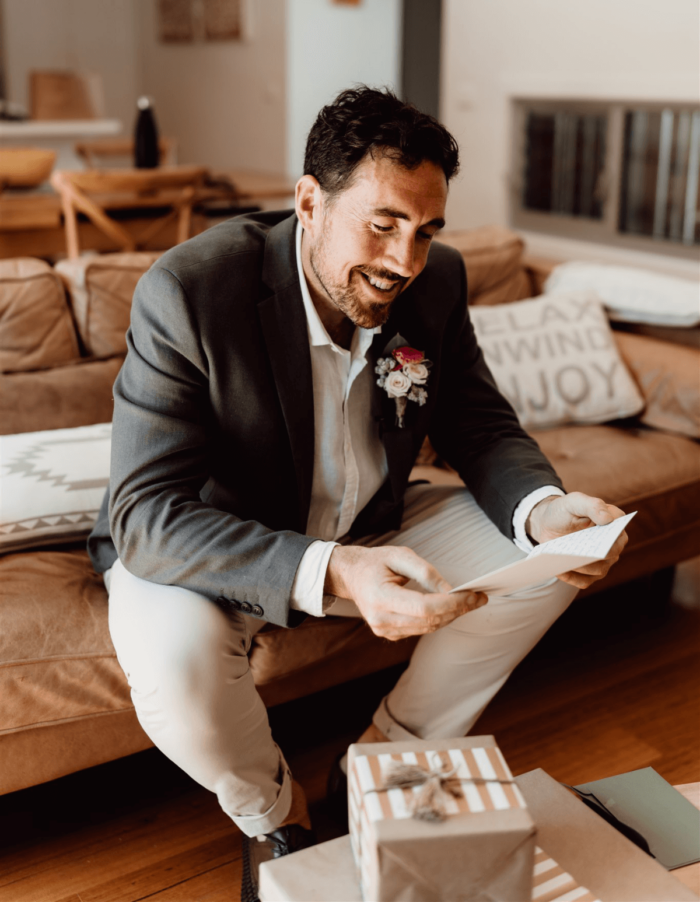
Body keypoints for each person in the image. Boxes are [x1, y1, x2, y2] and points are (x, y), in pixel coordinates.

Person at [88, 87, 627, 902]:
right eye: (382, 224)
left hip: (374, 522)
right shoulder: (191, 289)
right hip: (215, 544)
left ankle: (375, 764)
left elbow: (480, 426)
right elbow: (144, 513)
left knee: (549, 561)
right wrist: (332, 572)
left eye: (427, 230)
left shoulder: (436, 284)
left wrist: (544, 513)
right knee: (177, 674)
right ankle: (273, 814)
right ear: (310, 201)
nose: (405, 261)